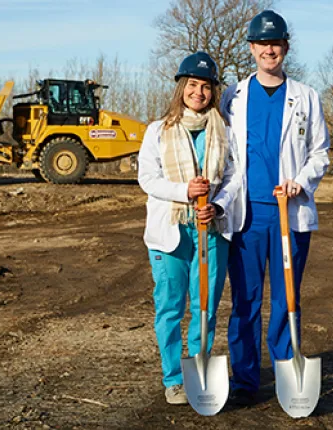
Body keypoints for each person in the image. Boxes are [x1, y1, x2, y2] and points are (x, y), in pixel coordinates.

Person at [220, 10, 330, 405]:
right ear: (251, 48)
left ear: (286, 47)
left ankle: (287, 374)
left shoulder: (306, 96)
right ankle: (246, 381)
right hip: (247, 216)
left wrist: (301, 181)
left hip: (290, 213)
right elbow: (225, 156)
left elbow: (320, 152)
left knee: (287, 299)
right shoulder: (232, 97)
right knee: (246, 300)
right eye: (262, 43)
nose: (269, 49)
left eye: (276, 43)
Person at [138, 52, 240, 405]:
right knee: (170, 307)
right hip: (170, 232)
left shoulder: (223, 130)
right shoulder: (159, 130)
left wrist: (218, 204)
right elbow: (147, 178)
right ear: (182, 87)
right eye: (193, 85)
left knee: (206, 307)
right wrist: (185, 192)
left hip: (210, 232)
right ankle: (173, 378)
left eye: (206, 86)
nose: (199, 92)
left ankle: (199, 370)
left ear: (213, 91)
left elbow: (232, 176)